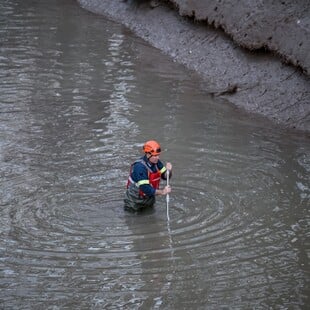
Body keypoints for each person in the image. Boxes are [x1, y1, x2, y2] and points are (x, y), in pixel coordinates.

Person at [124, 140, 172, 212]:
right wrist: (162, 192)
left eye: (158, 155)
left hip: (149, 198)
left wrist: (169, 171)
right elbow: (145, 188)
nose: (158, 158)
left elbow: (165, 176)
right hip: (134, 200)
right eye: (155, 155)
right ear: (148, 154)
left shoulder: (157, 162)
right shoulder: (139, 167)